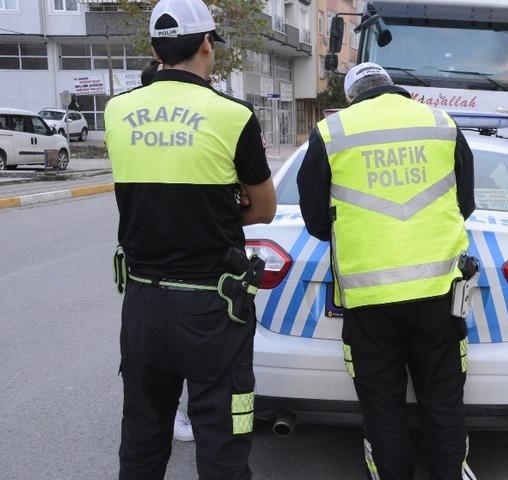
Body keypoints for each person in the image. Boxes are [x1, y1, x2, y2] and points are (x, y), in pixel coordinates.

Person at [104, 0, 275, 478]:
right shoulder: (232, 115)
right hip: (212, 306)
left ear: (156, 50)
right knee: (221, 435)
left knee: (142, 433)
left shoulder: (117, 110)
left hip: (142, 303)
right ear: (206, 44)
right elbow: (263, 208)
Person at [298, 62, 476, 480]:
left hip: (368, 301)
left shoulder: (332, 133)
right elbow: (464, 203)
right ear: (397, 90)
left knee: (383, 408)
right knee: (443, 402)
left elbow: (316, 221)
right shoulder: (442, 122)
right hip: (438, 297)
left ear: (351, 97)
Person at [138, 57, 196, 444]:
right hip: (189, 279)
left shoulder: (126, 122)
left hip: (150, 284)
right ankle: (181, 412)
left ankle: (177, 412)